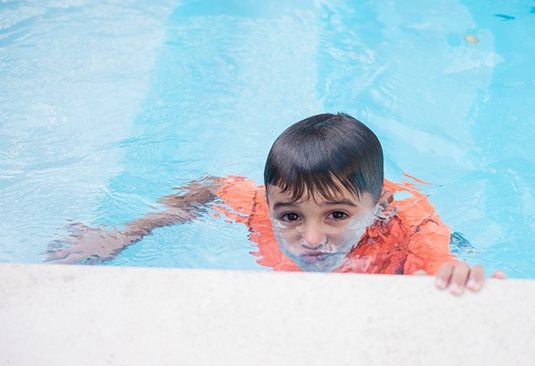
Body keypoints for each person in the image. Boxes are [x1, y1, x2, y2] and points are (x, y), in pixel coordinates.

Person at [46, 113, 505, 295]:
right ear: (268, 204)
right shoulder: (256, 206)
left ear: (377, 206)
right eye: (289, 216)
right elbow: (208, 187)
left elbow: (437, 263)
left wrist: (454, 275)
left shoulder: (406, 224)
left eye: (337, 216)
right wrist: (124, 232)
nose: (310, 238)